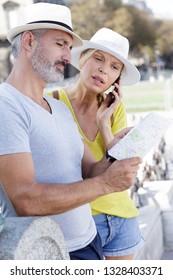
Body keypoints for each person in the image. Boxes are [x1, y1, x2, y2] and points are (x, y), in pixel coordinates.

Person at [0, 3, 142, 260]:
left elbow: (89, 170)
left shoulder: (58, 109)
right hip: (56, 254)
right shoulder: (6, 104)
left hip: (91, 242)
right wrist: (107, 183)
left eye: (69, 47)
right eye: (61, 44)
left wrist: (114, 151)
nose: (68, 56)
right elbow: (25, 200)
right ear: (30, 41)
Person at [48, 28, 145, 260]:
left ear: (117, 80)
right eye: (98, 58)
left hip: (123, 219)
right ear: (82, 59)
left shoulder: (115, 108)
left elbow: (117, 174)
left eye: (114, 67)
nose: (104, 69)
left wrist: (104, 124)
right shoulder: (52, 103)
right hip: (83, 225)